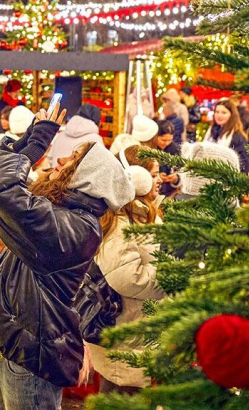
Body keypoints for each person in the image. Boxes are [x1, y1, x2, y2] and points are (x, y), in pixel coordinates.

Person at [0, 106, 135, 409]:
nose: (61, 158)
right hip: (10, 342)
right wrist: (23, 142)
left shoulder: (76, 227)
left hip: (33, 356)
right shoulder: (57, 208)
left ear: (88, 179)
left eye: (73, 160)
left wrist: (37, 145)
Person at [87, 164, 165, 394]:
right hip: (126, 329)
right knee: (119, 392)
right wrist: (170, 278)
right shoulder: (121, 221)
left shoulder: (142, 215)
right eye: (152, 175)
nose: (158, 180)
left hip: (135, 328)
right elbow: (127, 277)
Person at [204, 98, 249, 173]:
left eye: (224, 113)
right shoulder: (212, 132)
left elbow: (244, 165)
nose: (219, 115)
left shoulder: (237, 136)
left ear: (231, 115)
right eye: (217, 112)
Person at [143, 120, 181, 196]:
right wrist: (156, 176)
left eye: (170, 140)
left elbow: (181, 170)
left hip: (170, 193)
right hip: (150, 192)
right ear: (155, 136)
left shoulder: (175, 149)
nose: (166, 143)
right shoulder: (148, 149)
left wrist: (176, 178)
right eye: (163, 140)